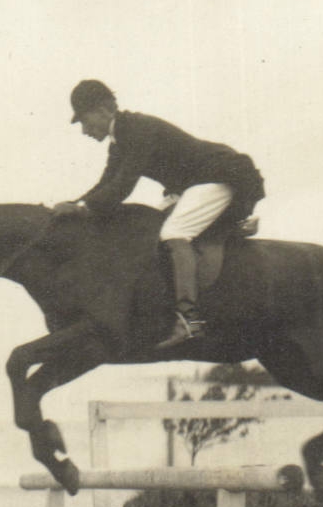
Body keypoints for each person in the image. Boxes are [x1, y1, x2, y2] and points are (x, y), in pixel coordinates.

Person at [54, 79, 266, 348]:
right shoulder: (120, 140)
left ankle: (189, 320)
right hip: (193, 184)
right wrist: (75, 204)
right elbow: (105, 184)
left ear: (103, 110)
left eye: (84, 120)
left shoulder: (136, 129)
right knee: (153, 226)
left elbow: (122, 186)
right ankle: (231, 228)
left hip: (219, 175)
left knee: (174, 234)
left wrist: (81, 209)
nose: (84, 130)